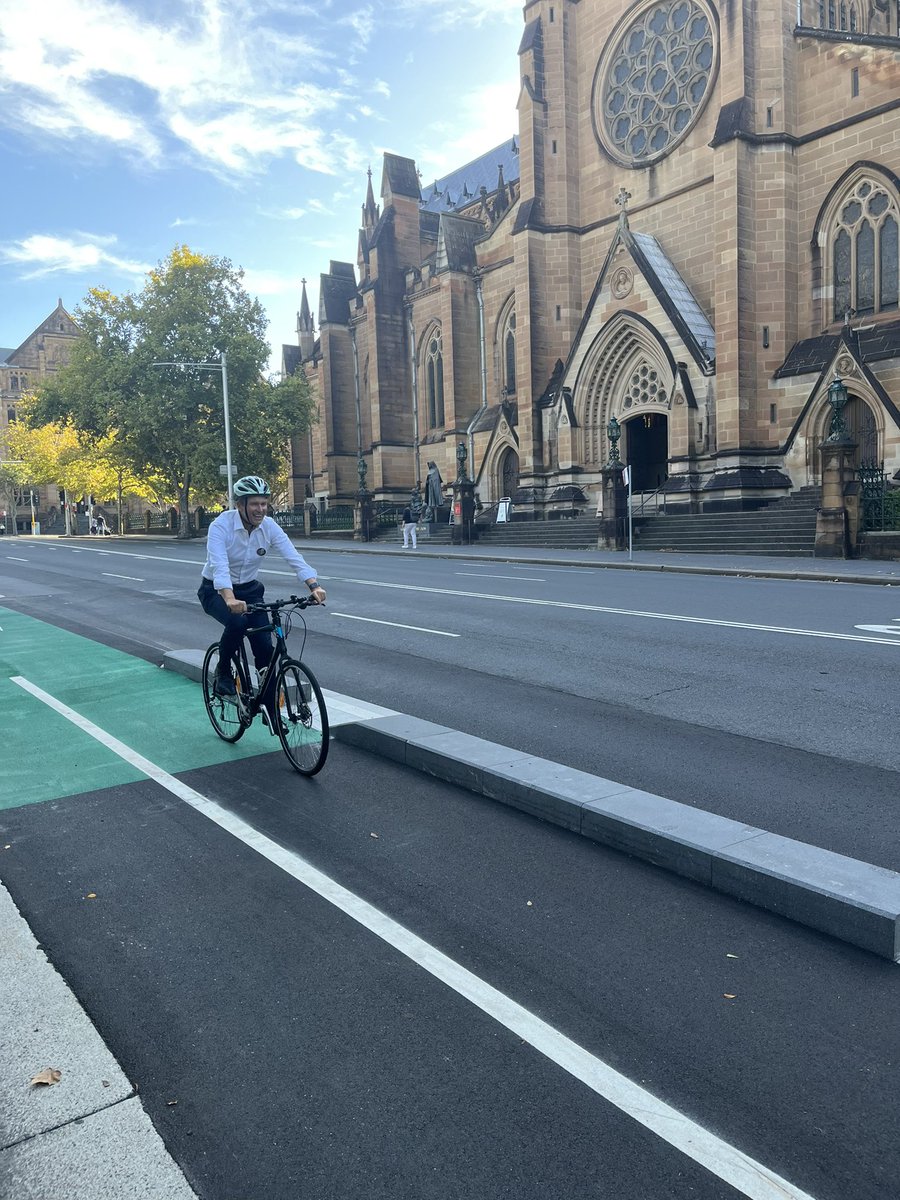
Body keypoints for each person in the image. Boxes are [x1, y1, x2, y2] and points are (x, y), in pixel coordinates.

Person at [198, 475, 327, 697]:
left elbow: (293, 556)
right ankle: (223, 670)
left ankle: (270, 706)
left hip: (250, 590)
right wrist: (229, 598)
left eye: (264, 503)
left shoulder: (269, 527)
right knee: (238, 623)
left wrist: (314, 586)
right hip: (215, 591)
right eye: (255, 504)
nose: (261, 509)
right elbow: (219, 566)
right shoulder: (221, 526)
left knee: (265, 647)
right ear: (240, 505)